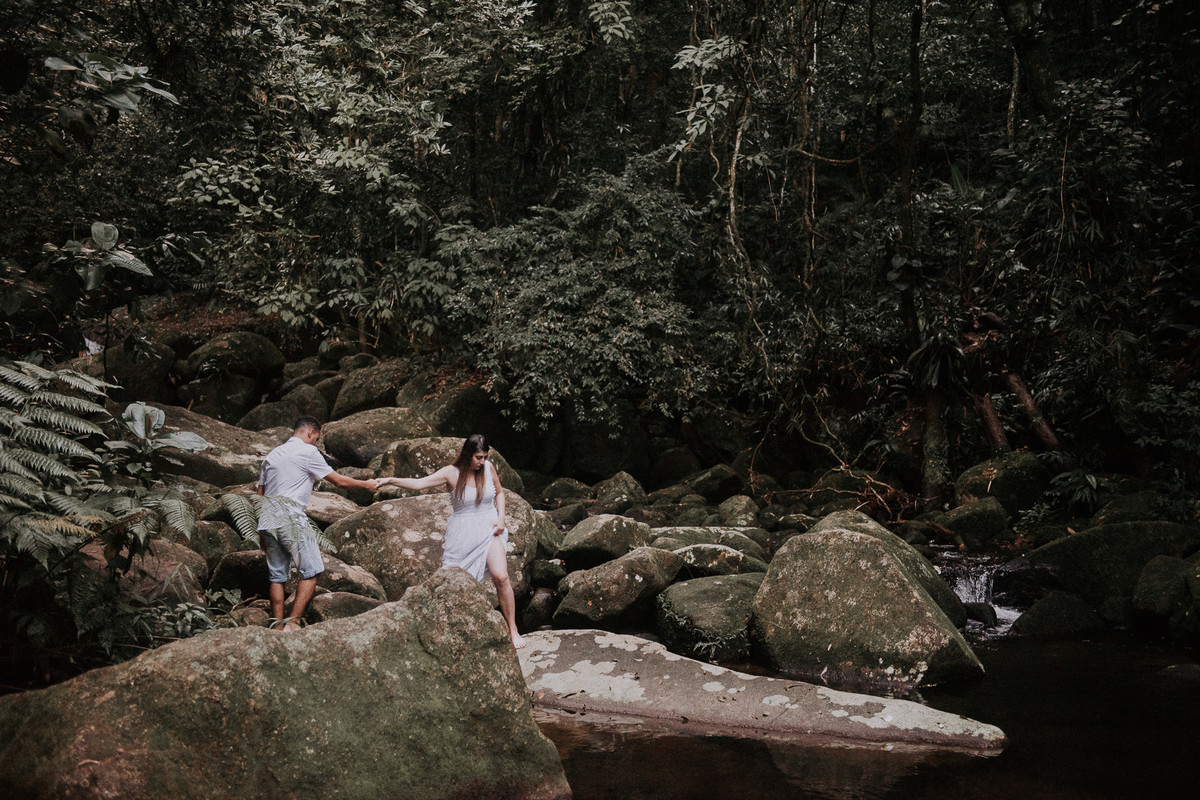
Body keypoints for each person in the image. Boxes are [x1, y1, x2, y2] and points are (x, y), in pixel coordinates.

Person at [379, 434, 525, 649]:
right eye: (478, 457)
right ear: (467, 454)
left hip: (489, 527)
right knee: (454, 586)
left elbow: (500, 493)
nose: (481, 462)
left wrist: (501, 517)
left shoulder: (488, 468)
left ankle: (512, 629)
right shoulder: (451, 473)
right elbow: (419, 484)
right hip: (462, 534)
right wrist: (390, 480)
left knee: (501, 577)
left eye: (484, 457)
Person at [256, 416, 379, 631]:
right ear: (311, 433)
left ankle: (275, 627)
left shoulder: (272, 454)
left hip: (267, 520)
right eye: (316, 439)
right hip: (291, 518)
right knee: (312, 571)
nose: (315, 443)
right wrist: (365, 484)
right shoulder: (308, 452)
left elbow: (260, 494)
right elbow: (339, 481)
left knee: (277, 576)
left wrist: (261, 532)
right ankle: (293, 623)